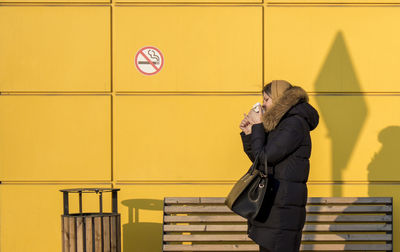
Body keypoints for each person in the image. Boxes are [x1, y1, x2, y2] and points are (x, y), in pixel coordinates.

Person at [239, 80, 319, 252]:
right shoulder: (282, 124)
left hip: (282, 210)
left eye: (266, 100)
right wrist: (249, 134)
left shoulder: (294, 124)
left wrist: (259, 125)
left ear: (278, 99)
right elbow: (261, 161)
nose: (263, 105)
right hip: (274, 207)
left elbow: (265, 157)